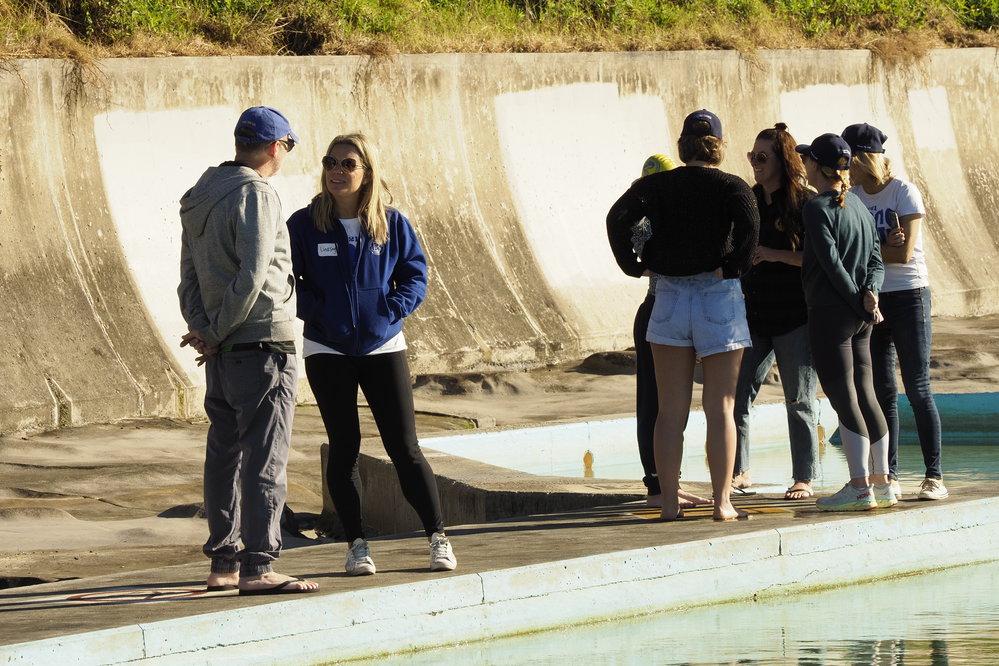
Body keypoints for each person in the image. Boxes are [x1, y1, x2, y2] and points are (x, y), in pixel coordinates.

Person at [286, 132, 456, 576]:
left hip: (383, 345)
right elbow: (287, 283)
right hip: (327, 349)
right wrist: (321, 314)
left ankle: (437, 536)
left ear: (367, 173)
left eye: (348, 163)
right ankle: (357, 545)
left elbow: (415, 274)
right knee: (345, 448)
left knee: (405, 447)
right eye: (330, 162)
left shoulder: (390, 223)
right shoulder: (304, 224)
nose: (337, 171)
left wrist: (391, 310)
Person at [178, 106, 319, 596]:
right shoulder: (257, 193)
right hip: (262, 344)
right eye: (287, 148)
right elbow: (255, 274)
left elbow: (189, 279)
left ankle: (224, 563)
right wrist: (216, 331)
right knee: (265, 457)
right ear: (275, 147)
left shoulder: (199, 196)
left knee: (223, 456)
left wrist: (204, 329)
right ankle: (260, 566)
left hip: (223, 351)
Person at [607, 110, 759, 522]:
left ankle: (670, 502)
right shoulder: (732, 186)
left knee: (670, 411)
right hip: (717, 295)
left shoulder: (652, 186)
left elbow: (617, 219)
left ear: (682, 146)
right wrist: (732, 267)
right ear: (719, 146)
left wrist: (635, 265)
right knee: (721, 407)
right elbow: (750, 227)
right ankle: (723, 502)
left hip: (669, 293)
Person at [842, 123, 947, 501]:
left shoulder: (903, 192)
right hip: (873, 299)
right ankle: (890, 475)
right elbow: (848, 254)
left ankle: (934, 475)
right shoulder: (851, 196)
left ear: (862, 158)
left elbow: (902, 256)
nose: (843, 166)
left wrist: (871, 252)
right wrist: (876, 250)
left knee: (917, 388)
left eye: (848, 158)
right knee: (882, 391)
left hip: (908, 296)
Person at [796, 133, 893, 512]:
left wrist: (856, 299)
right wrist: (870, 294)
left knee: (843, 397)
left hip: (831, 313)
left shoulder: (817, 207)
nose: (803, 166)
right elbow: (877, 261)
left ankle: (858, 485)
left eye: (808, 160)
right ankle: (883, 482)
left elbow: (830, 262)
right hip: (863, 316)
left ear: (819, 167)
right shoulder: (859, 205)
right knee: (866, 393)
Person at [734, 123, 820, 500]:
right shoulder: (749, 199)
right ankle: (740, 470)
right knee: (737, 397)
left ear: (781, 160)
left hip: (794, 315)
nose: (755, 163)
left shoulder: (805, 202)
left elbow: (817, 260)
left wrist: (774, 255)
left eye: (762, 157)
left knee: (799, 399)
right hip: (753, 315)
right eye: (752, 156)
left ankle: (804, 475)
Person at [629, 154, 712, 510]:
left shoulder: (654, 214)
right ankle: (658, 485)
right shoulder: (645, 217)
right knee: (655, 404)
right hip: (658, 311)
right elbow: (641, 255)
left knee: (670, 405)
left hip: (670, 310)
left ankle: (667, 481)